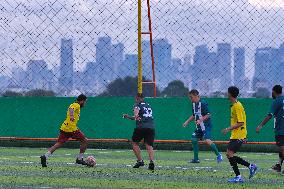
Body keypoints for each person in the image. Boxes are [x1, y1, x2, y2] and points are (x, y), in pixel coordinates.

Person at [40, 94, 89, 167]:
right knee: (85, 140)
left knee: (59, 143)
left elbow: (71, 109)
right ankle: (79, 159)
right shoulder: (76, 105)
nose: (85, 103)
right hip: (71, 128)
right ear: (82, 101)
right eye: (85, 102)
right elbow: (71, 109)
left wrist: (72, 116)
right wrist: (72, 116)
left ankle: (45, 156)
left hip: (64, 127)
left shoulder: (74, 104)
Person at [222, 86, 257, 183]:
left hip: (239, 135)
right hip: (235, 134)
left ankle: (239, 176)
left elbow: (241, 122)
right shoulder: (234, 105)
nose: (226, 94)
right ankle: (249, 167)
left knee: (229, 154)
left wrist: (228, 128)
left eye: (227, 92)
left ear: (230, 94)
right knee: (229, 154)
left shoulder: (237, 106)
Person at [183, 89, 222, 163]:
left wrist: (200, 120)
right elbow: (194, 115)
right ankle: (196, 159)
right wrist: (187, 121)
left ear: (197, 96)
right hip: (199, 127)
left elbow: (208, 114)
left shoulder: (203, 103)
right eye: (189, 97)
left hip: (206, 126)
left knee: (207, 140)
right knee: (194, 139)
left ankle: (218, 155)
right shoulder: (193, 104)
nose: (190, 99)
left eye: (191, 97)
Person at [256, 85, 284, 175]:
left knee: (282, 148)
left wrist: (260, 125)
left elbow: (270, 115)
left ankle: (279, 165)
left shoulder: (277, 101)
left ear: (274, 91)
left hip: (281, 129)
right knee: (281, 148)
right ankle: (278, 165)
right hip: (281, 128)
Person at [123, 93, 155, 171]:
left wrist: (132, 115)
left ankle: (140, 161)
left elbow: (136, 114)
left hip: (141, 127)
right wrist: (133, 117)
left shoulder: (137, 105)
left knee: (134, 143)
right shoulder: (148, 105)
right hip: (151, 127)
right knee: (149, 145)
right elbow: (142, 116)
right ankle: (151, 161)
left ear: (137, 98)